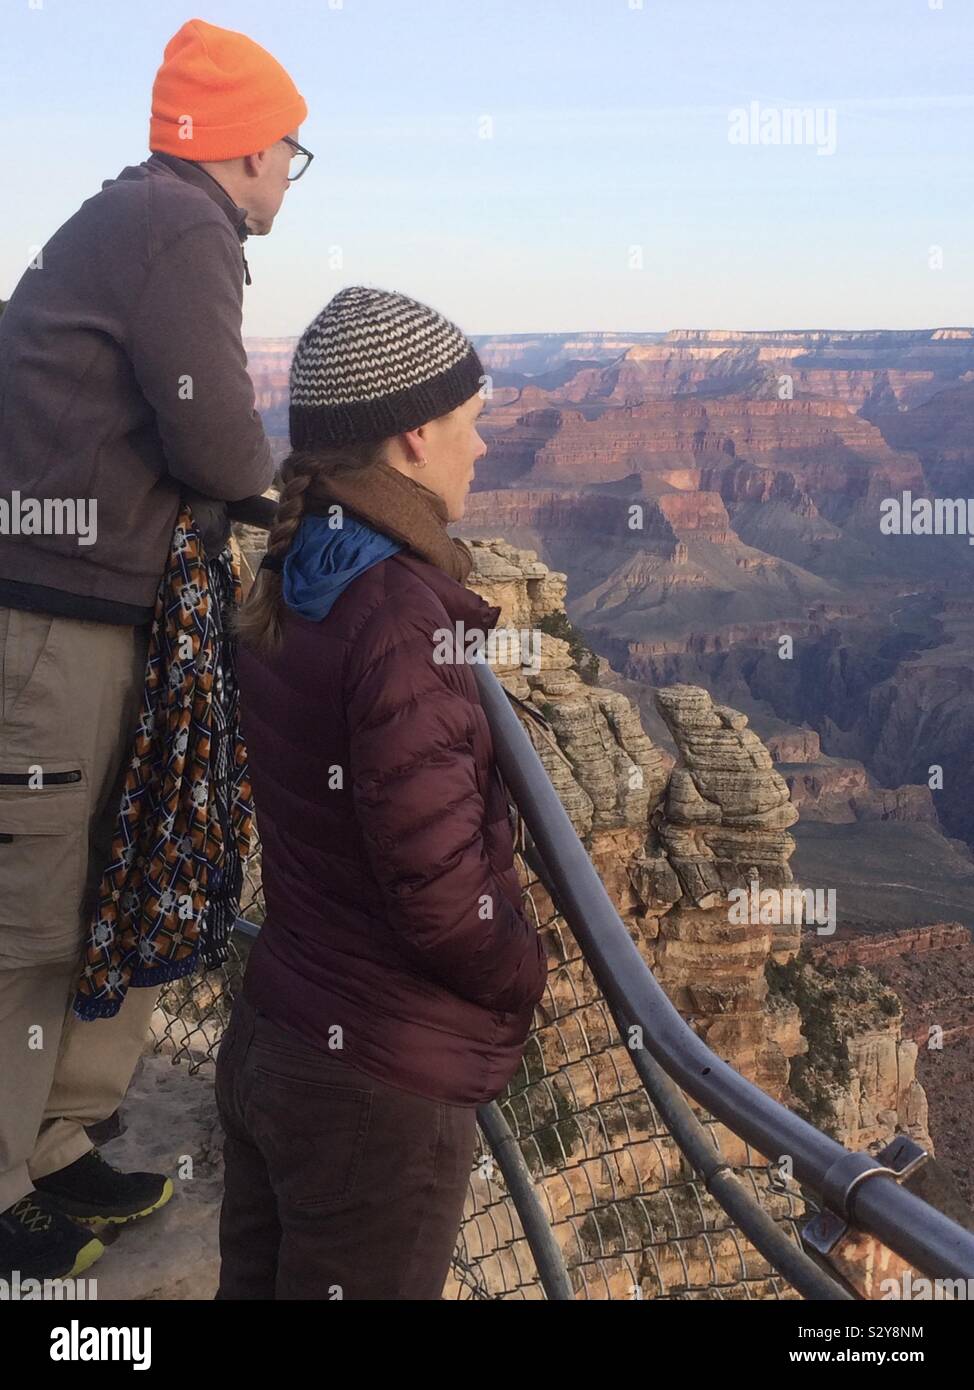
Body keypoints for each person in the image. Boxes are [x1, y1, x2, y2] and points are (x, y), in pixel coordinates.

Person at [0, 18, 307, 1282]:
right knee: (27, 913)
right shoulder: (183, 228)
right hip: (51, 630)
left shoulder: (146, 217)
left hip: (93, 615)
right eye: (291, 148)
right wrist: (302, 511)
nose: (293, 171)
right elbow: (222, 444)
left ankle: (56, 1135)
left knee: (93, 889)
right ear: (241, 148)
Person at [218, 286, 549, 1299]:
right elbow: (442, 897)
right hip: (372, 1091)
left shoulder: (301, 574)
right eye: (472, 423)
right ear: (411, 437)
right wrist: (525, 968)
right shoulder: (400, 613)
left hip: (277, 1030)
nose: (483, 449)